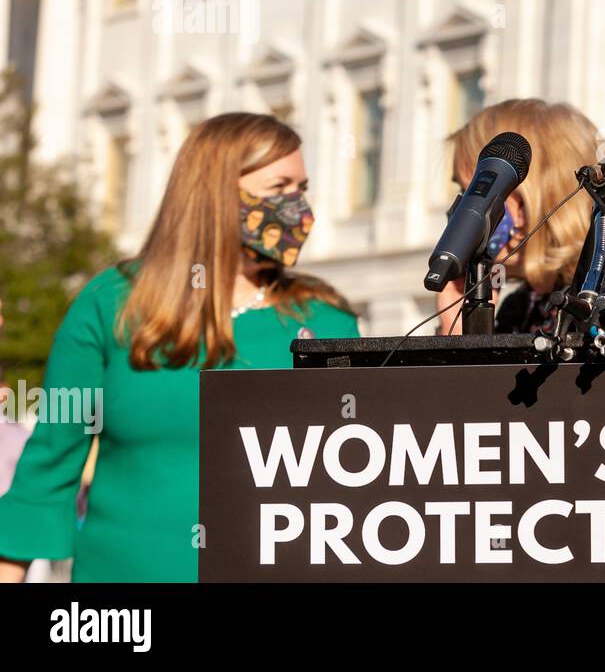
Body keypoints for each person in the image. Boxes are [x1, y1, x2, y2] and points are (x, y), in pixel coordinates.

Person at [0, 113, 360, 582]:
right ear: (215, 194)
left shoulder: (326, 320)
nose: (299, 205)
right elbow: (49, 468)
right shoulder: (111, 305)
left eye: (302, 187)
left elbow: (367, 478)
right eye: (280, 187)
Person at [437, 99, 601, 335]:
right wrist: (458, 331)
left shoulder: (598, 308)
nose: (459, 214)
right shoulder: (518, 308)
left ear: (524, 204)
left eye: (473, 194)